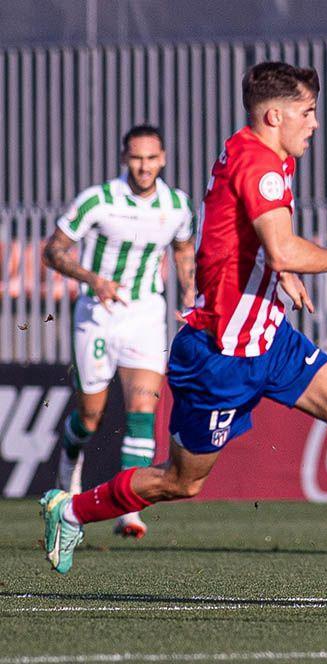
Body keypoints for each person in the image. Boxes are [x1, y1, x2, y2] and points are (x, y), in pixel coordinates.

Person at [38, 61, 327, 600]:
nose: (316, 123)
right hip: (220, 353)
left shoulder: (257, 149)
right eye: (308, 112)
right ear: (275, 115)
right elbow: (280, 245)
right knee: (183, 481)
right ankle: (72, 510)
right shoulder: (262, 167)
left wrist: (284, 275)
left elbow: (242, 237)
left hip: (268, 336)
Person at [42, 124, 195, 539]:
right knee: (90, 417)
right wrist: (92, 278)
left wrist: (190, 298)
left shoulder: (177, 205)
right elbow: (52, 251)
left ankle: (129, 510)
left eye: (150, 158)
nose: (143, 167)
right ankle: (65, 475)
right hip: (97, 315)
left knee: (142, 413)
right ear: (124, 159)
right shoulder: (98, 200)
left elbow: (183, 251)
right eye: (136, 158)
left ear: (162, 158)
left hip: (146, 315)